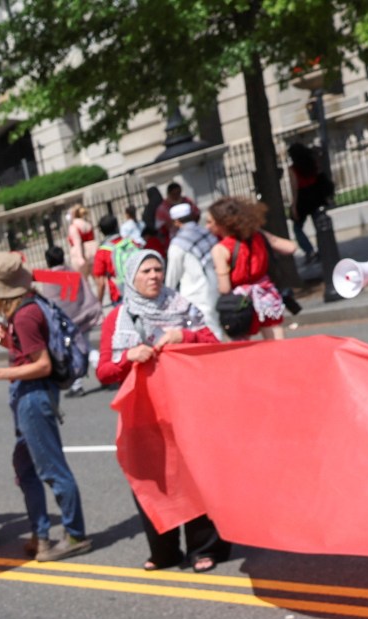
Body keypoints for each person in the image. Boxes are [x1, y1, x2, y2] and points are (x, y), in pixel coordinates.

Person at [94, 248, 228, 572]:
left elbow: (213, 344)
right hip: (143, 414)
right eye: (146, 271)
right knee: (151, 480)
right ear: (131, 277)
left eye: (158, 270)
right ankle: (164, 551)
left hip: (187, 408)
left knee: (193, 476)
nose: (154, 276)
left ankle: (204, 548)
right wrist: (128, 357)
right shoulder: (118, 317)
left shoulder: (181, 306)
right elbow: (103, 370)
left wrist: (185, 335)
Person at [0, 251, 91, 561]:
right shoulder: (27, 308)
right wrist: (11, 343)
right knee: (25, 467)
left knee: (51, 468)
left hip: (34, 393)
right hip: (29, 394)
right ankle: (40, 535)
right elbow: (31, 353)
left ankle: (75, 534)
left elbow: (42, 366)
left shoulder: (24, 315)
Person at [208, 195, 299, 341]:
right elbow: (290, 247)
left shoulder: (220, 249)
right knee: (277, 345)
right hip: (266, 294)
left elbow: (224, 288)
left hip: (240, 303)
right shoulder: (258, 235)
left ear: (223, 223)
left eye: (210, 222)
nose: (207, 226)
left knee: (243, 348)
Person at [161, 202, 225, 340]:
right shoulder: (206, 232)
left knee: (207, 327)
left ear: (176, 222)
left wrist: (166, 294)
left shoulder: (178, 243)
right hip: (216, 285)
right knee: (215, 322)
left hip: (196, 293)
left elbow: (173, 276)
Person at [89, 214, 133, 304]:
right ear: (117, 226)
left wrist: (99, 303)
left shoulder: (102, 252)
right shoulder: (130, 242)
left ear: (102, 232)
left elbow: (101, 283)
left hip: (119, 294)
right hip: (138, 288)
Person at [64, 204, 97, 296]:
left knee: (83, 281)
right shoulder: (88, 223)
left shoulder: (73, 226)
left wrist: (80, 258)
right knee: (97, 279)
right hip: (93, 252)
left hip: (81, 254)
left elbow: (77, 242)